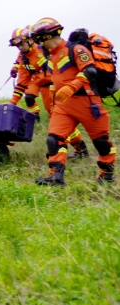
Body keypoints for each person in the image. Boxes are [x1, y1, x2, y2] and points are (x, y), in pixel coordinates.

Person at [29, 18, 114, 185]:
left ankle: (107, 175)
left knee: (101, 142)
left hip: (87, 103)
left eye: (39, 39)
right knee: (54, 139)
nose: (38, 43)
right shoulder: (50, 56)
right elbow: (55, 80)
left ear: (47, 36)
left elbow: (90, 71)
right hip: (63, 106)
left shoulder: (76, 49)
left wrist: (71, 87)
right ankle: (55, 176)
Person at [7, 26, 89, 159]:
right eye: (17, 46)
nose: (20, 48)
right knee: (49, 112)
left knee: (59, 119)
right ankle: (79, 149)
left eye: (21, 44)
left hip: (57, 86)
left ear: (30, 40)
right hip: (44, 87)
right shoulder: (24, 59)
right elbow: (22, 83)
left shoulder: (44, 49)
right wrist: (12, 102)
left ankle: (66, 148)